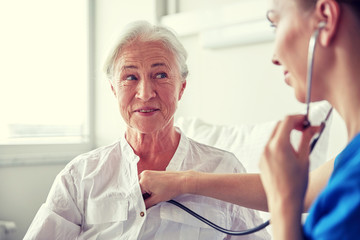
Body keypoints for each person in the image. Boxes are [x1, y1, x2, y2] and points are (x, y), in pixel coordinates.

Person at [24, 21, 270, 240]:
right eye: (130, 77)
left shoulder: (223, 169)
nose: (144, 93)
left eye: (160, 75)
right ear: (113, 89)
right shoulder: (79, 177)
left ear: (181, 88)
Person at [139, 0, 360, 239]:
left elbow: (290, 196)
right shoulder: (350, 163)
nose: (274, 57)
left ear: (325, 19)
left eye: (275, 24)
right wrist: (185, 181)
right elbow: (304, 190)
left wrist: (284, 207)